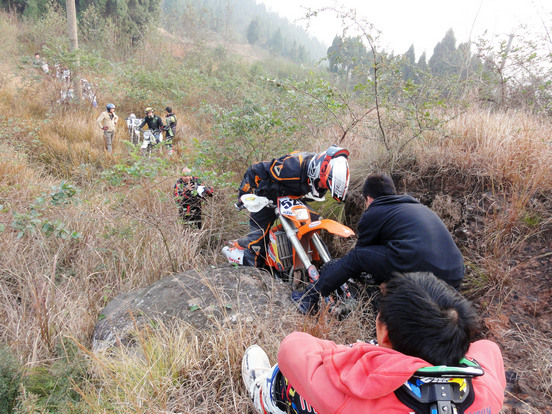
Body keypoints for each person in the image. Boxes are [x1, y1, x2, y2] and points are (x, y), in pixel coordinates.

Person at [242, 272, 506, 414]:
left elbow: (292, 346)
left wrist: (348, 353)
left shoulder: (353, 396)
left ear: (385, 333)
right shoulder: (488, 389)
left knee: (287, 381)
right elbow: (489, 349)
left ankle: (264, 395)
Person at [292, 173, 465, 313]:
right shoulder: (414, 206)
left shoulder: (374, 212)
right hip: (455, 274)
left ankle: (309, 299)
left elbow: (362, 255)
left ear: (368, 198)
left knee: (356, 257)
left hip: (418, 267)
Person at [221, 145, 350, 267]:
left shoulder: (321, 167)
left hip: (290, 199)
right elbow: (256, 169)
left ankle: (327, 265)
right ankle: (251, 269)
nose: (323, 187)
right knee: (258, 239)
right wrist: (244, 194)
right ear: (315, 172)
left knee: (314, 223)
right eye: (322, 184)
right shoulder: (290, 168)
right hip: (267, 198)